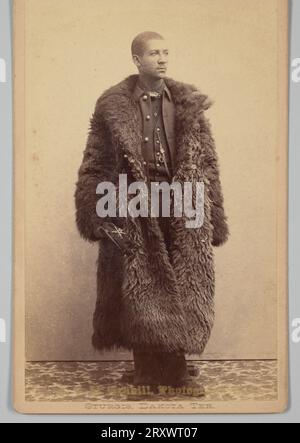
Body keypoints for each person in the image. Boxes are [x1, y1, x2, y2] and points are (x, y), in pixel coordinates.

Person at [74, 31, 229, 397]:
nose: (162, 59)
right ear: (137, 60)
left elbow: (208, 162)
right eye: (154, 53)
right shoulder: (112, 106)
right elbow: (94, 163)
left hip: (183, 197)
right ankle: (146, 369)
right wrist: (96, 215)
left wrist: (215, 215)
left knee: (184, 279)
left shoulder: (187, 103)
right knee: (140, 282)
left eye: (166, 52)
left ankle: (175, 370)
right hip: (133, 201)